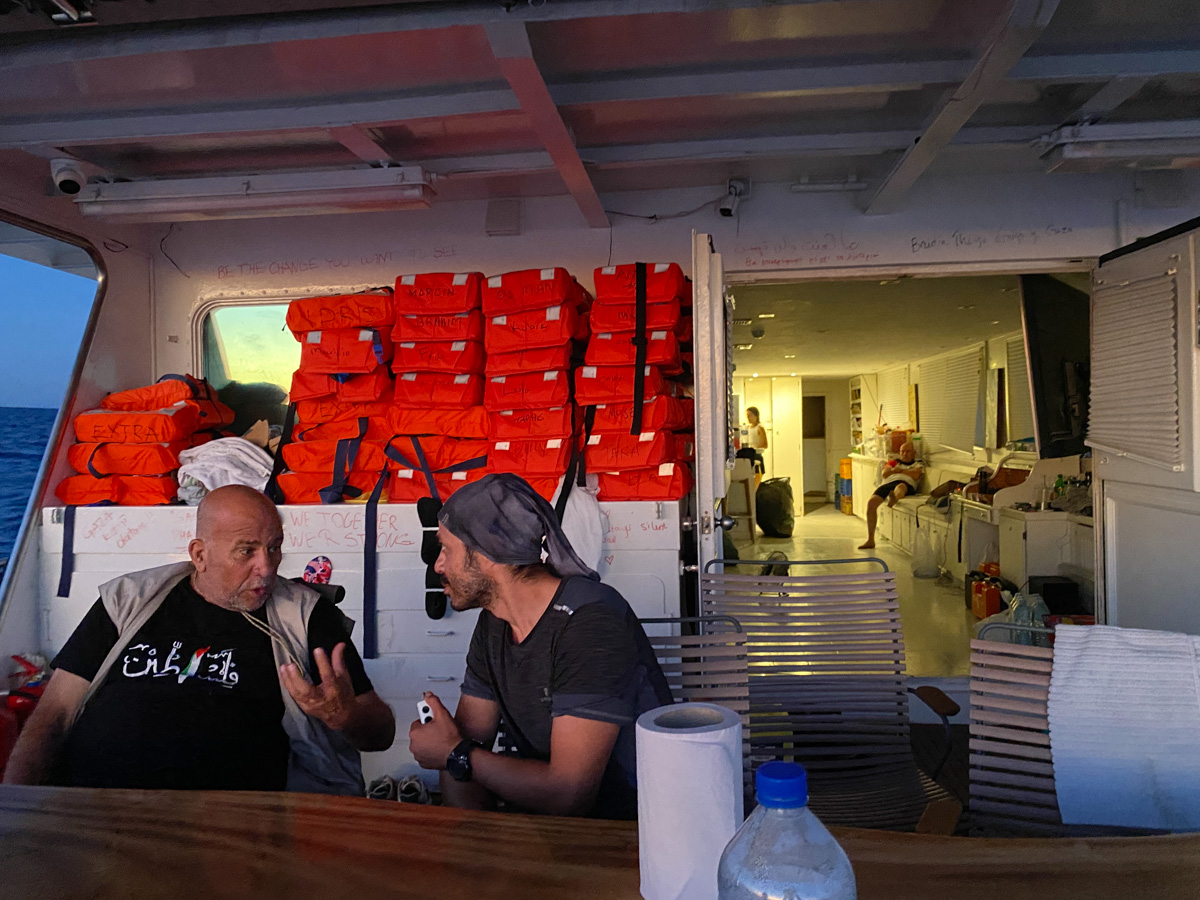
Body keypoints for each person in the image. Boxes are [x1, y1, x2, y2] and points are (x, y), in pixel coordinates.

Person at [4, 485, 395, 793]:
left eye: (274, 548)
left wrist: (345, 716)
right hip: (94, 815)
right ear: (200, 554)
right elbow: (54, 713)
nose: (267, 567)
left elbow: (380, 733)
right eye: (247, 551)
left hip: (231, 835)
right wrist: (16, 809)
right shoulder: (126, 600)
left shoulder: (306, 616)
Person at [408, 473, 673, 820]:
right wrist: (452, 750)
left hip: (629, 837)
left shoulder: (592, 622)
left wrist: (454, 754)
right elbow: (465, 768)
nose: (438, 565)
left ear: (489, 555)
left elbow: (570, 794)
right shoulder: (495, 622)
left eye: (446, 549)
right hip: (545, 831)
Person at [859, 441, 924, 550]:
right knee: (871, 503)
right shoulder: (893, 462)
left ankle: (894, 498)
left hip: (906, 484)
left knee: (901, 487)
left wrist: (899, 471)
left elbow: (916, 475)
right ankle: (870, 539)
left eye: (908, 451)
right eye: (902, 452)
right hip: (888, 483)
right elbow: (885, 473)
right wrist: (901, 471)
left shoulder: (918, 464)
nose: (905, 454)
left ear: (914, 453)